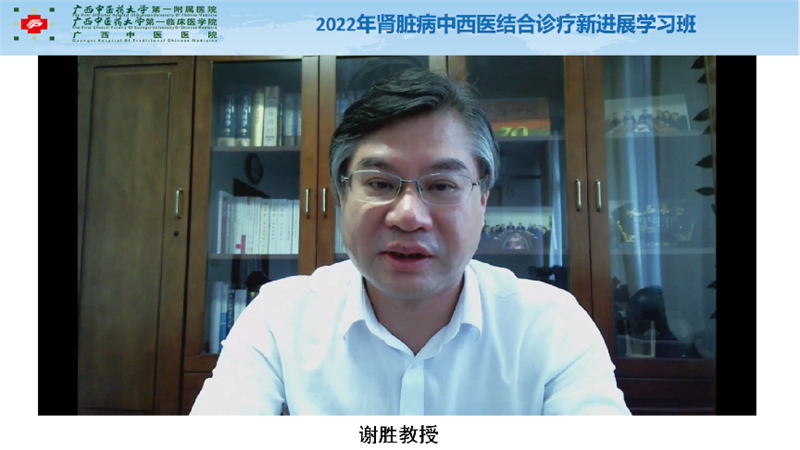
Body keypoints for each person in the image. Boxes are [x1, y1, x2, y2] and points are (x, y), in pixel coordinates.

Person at [190, 69, 630, 416]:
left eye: (441, 186)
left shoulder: (551, 325)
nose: (407, 216)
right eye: (380, 183)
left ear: (483, 199)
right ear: (341, 194)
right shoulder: (279, 316)